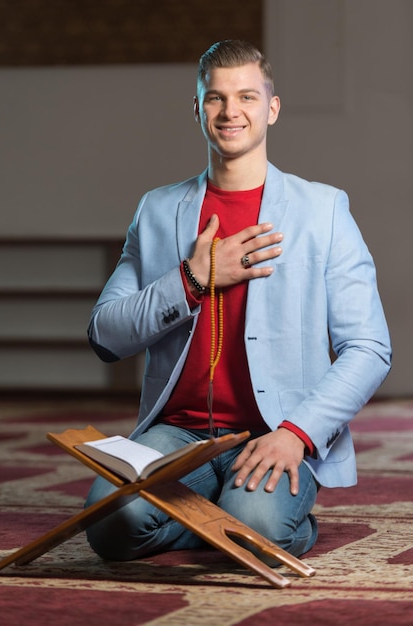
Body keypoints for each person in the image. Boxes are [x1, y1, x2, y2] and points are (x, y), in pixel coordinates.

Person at [85, 39, 391, 563]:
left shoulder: (324, 210)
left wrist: (298, 434)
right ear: (198, 109)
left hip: (275, 431)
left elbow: (368, 347)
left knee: (256, 525)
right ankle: (227, 527)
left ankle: (251, 522)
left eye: (247, 97)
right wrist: (193, 278)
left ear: (271, 108)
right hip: (178, 433)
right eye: (215, 98)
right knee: (112, 526)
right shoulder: (157, 210)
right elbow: (105, 334)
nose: (230, 111)